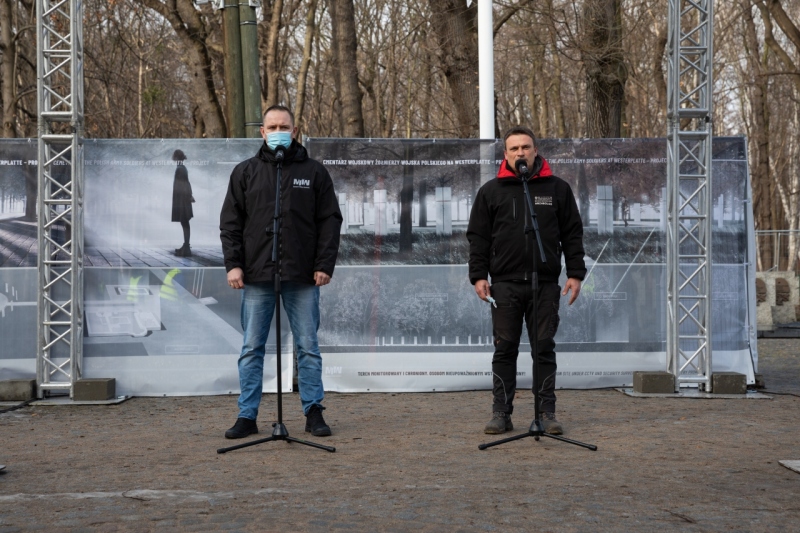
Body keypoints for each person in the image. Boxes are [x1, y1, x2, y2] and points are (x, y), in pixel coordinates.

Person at [220, 105, 343, 439]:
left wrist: (323, 264)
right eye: (272, 127)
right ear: (262, 131)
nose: (278, 132)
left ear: (294, 130)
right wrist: (233, 264)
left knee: (308, 347)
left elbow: (329, 222)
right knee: (251, 348)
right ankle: (247, 415)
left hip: (303, 276)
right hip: (257, 274)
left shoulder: (314, 172)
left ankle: (314, 412)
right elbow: (231, 223)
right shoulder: (245, 172)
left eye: (283, 126)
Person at [467, 126, 586, 436]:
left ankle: (546, 413)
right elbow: (478, 238)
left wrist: (575, 273)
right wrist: (478, 275)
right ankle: (501, 413)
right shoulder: (491, 191)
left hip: (544, 284)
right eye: (514, 148)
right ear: (506, 154)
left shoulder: (557, 189)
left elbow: (572, 233)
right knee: (504, 348)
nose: (520, 152)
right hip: (504, 285)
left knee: (543, 348)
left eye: (525, 147)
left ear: (535, 150)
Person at [171, 149, 194, 257]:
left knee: (184, 222)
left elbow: (183, 185)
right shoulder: (182, 168)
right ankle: (186, 246)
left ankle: (186, 247)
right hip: (183, 199)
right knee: (184, 222)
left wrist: (188, 196)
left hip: (182, 200)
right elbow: (186, 183)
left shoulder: (180, 169)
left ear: (176, 157)